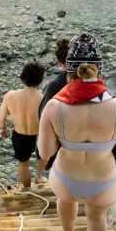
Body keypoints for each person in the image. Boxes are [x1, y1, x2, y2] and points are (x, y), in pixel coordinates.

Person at [37, 33, 116, 231]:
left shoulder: (54, 106)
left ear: (69, 72)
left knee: (66, 199)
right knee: (97, 217)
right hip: (102, 181)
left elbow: (45, 152)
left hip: (65, 177)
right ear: (98, 71)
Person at [0, 62, 46, 187]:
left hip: (20, 136)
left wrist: (3, 129)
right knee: (42, 157)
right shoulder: (43, 99)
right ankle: (38, 177)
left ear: (23, 77)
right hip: (38, 136)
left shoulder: (10, 96)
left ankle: (27, 189)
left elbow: (0, 119)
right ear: (40, 80)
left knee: (23, 164)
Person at [34, 37, 70, 182]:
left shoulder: (55, 85)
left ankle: (38, 176)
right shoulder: (87, 78)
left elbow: (43, 114)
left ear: (60, 64)